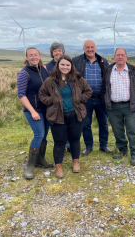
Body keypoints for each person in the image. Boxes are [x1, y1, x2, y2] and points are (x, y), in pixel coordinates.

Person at [39, 55, 93, 178]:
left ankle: (76, 162)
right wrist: (52, 100)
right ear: (58, 65)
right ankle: (58, 166)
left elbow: (88, 91)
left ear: (71, 66)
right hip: (57, 116)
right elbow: (42, 95)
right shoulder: (50, 80)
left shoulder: (78, 79)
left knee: (75, 139)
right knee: (59, 142)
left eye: (68, 65)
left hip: (76, 114)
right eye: (62, 64)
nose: (65, 67)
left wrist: (80, 99)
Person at [101, 48, 135, 166]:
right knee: (117, 130)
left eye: (122, 55)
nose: (120, 57)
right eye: (118, 55)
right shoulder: (109, 70)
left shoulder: (133, 70)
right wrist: (105, 102)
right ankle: (122, 151)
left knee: (132, 129)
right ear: (114, 57)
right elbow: (104, 88)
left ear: (126, 57)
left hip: (130, 105)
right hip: (113, 106)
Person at [17, 47, 53, 180]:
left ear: (39, 56)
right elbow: (21, 94)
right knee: (39, 134)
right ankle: (29, 165)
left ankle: (40, 160)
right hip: (33, 111)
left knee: (44, 136)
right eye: (30, 55)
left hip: (46, 109)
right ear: (26, 58)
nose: (34, 57)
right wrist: (32, 111)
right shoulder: (24, 73)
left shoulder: (44, 70)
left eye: (36, 55)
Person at [73, 40, 111, 156]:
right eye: (87, 47)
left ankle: (103, 145)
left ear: (96, 48)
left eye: (92, 47)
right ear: (83, 48)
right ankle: (88, 146)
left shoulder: (103, 61)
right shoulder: (76, 61)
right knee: (86, 123)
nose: (90, 49)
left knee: (103, 123)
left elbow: (108, 79)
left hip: (101, 98)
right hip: (85, 99)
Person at [45, 42, 71, 154]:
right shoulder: (46, 67)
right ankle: (62, 146)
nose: (58, 52)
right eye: (55, 51)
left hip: (68, 101)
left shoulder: (69, 64)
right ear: (52, 53)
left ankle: (70, 145)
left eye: (60, 50)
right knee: (58, 126)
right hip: (55, 102)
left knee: (70, 124)